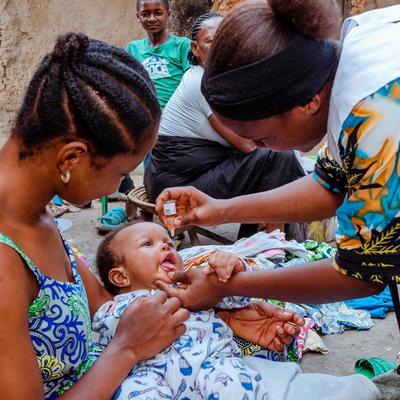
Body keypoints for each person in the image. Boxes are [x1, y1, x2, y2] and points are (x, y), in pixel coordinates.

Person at [0, 32, 299, 400]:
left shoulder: (32, 210)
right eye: (120, 173)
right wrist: (125, 350)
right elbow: (125, 336)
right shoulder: (5, 261)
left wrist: (222, 321)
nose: (118, 186)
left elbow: (111, 309)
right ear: (71, 160)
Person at [155, 0, 400, 316]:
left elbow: (362, 274)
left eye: (262, 138)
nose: (263, 148)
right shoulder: (344, 55)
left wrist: (228, 286)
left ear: (306, 103)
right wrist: (218, 211)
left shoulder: (375, 116)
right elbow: (329, 185)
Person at [93, 222, 305, 399]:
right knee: (131, 393)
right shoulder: (120, 305)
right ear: (121, 277)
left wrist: (228, 270)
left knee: (237, 384)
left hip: (214, 363)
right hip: (149, 374)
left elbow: (236, 299)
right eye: (148, 244)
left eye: (168, 242)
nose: (166, 247)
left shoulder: (197, 288)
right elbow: (109, 333)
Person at [145, 12, 305, 239]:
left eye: (227, 40)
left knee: (275, 158)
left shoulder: (217, 81)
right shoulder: (201, 83)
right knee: (278, 158)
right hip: (177, 188)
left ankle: (258, 237)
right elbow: (247, 146)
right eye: (212, 41)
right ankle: (272, 242)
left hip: (195, 175)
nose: (223, 48)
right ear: (195, 48)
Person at [127, 0, 191, 109]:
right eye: (145, 14)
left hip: (177, 114)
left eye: (158, 13)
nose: (151, 19)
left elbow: (192, 83)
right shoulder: (133, 48)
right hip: (146, 115)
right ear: (138, 16)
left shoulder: (182, 45)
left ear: (168, 14)